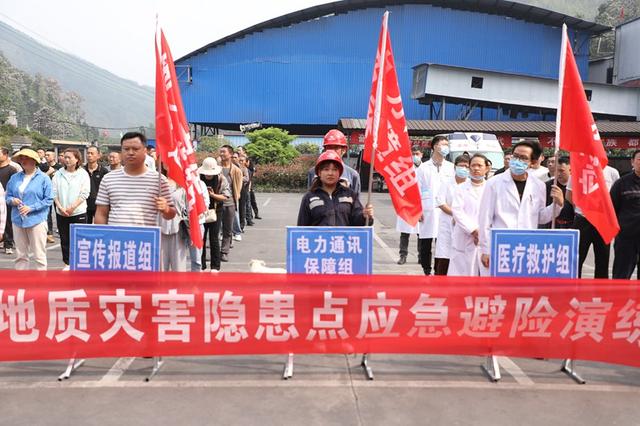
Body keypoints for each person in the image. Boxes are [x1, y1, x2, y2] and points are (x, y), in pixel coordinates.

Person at [478, 141, 564, 270]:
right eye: (515, 156)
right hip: (501, 244)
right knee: (500, 281)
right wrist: (485, 249)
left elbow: (540, 217)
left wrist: (557, 204)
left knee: (523, 281)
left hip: (527, 246)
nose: (517, 161)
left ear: (533, 162)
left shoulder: (538, 186)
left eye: (523, 158)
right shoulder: (494, 183)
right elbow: (485, 218)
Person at [94, 132, 175, 226]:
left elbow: (171, 214)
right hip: (116, 235)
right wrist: (100, 233)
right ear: (121, 152)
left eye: (135, 149)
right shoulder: (108, 179)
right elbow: (101, 214)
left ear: (145, 151)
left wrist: (166, 209)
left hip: (145, 235)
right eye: (126, 149)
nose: (130, 153)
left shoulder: (159, 180)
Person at [566, 162, 620, 279]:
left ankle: (601, 287)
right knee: (577, 258)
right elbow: (569, 194)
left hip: (603, 221)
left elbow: (616, 195)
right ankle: (573, 285)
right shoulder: (577, 170)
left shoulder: (612, 172)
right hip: (582, 220)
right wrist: (582, 208)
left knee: (603, 259)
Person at [4, 148, 54, 270]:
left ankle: (41, 279)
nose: (23, 161)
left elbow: (48, 199)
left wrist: (31, 208)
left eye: (26, 158)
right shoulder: (15, 178)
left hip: (37, 220)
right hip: (17, 219)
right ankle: (22, 278)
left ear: (34, 160)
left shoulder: (43, 178)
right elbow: (7, 196)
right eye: (21, 158)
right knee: (21, 255)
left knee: (39, 255)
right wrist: (12, 200)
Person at [297, 151, 373, 226]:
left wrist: (364, 216)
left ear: (339, 173)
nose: (330, 173)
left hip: (343, 235)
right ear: (319, 173)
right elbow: (301, 227)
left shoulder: (350, 195)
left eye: (335, 169)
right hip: (319, 235)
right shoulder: (309, 197)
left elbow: (358, 221)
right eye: (326, 169)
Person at [416, 135, 454, 275]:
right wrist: (418, 210)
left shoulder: (451, 167)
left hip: (445, 210)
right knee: (426, 241)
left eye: (447, 145)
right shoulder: (423, 168)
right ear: (434, 146)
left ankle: (440, 271)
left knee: (443, 242)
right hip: (428, 209)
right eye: (443, 144)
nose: (445, 147)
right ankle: (426, 270)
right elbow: (417, 189)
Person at [449, 154, 491, 276]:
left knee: (485, 275)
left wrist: (482, 232)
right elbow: (457, 211)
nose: (476, 168)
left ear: (486, 168)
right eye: (473, 165)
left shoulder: (492, 187)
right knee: (462, 276)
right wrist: (474, 230)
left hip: (486, 237)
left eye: (479, 165)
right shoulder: (460, 188)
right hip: (464, 236)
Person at [52, 148, 90, 270]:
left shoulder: (83, 174)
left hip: (78, 212)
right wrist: (60, 207)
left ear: (77, 159)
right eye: (65, 157)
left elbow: (85, 193)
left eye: (69, 157)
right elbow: (54, 192)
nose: (66, 160)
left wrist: (72, 207)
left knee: (79, 239)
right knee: (65, 239)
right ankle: (67, 263)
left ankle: (80, 263)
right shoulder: (58, 174)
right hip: (61, 212)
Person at [433, 154, 470, 275]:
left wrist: (460, 217)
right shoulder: (447, 182)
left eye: (466, 166)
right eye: (461, 166)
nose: (464, 169)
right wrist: (455, 214)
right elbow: (441, 202)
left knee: (462, 255)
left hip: (464, 224)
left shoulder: (470, 184)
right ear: (455, 167)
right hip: (447, 223)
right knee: (444, 255)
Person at [610, 150, 640, 279]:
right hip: (626, 237)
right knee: (621, 276)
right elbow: (612, 208)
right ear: (632, 162)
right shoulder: (621, 183)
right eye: (639, 159)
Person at [199, 157, 230, 271]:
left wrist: (212, 195)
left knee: (214, 238)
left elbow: (226, 196)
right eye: (206, 173)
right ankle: (201, 265)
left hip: (216, 211)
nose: (208, 175)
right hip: (201, 211)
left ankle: (215, 267)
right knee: (201, 238)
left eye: (210, 173)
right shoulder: (198, 178)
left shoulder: (221, 179)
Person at [307, 129, 361, 195]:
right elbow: (309, 198)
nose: (331, 151)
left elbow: (356, 200)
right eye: (329, 147)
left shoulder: (352, 175)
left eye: (335, 148)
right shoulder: (313, 172)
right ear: (325, 149)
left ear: (344, 150)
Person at [219, 145, 242, 261]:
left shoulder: (236, 170)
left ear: (231, 154)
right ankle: (215, 251)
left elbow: (238, 187)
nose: (221, 154)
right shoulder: (216, 168)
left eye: (224, 152)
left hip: (230, 203)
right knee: (215, 229)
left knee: (227, 229)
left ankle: (224, 251)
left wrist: (235, 199)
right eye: (220, 152)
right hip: (216, 202)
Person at [160, 177, 188, 272]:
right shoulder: (158, 181)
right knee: (160, 268)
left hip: (178, 229)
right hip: (160, 228)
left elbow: (189, 209)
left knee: (179, 268)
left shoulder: (184, 185)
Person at [540, 157, 574, 229]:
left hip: (570, 225)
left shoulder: (575, 187)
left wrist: (562, 202)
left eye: (561, 171)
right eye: (556, 170)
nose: (558, 174)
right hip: (550, 225)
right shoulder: (547, 185)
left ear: (571, 170)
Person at [0, 147, 21, 254]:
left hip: (7, 199)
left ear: (5, 155)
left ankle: (8, 244)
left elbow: (15, 185)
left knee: (8, 222)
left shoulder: (12, 169)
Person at [84, 145, 109, 224]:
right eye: (88, 153)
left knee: (99, 227)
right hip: (84, 204)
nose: (89, 155)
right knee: (85, 227)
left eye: (92, 153)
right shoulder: (81, 170)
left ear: (98, 155)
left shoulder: (104, 171)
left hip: (99, 205)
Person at [44, 149, 62, 243]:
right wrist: (48, 172)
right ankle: (49, 233)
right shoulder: (42, 167)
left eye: (48, 155)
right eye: (45, 155)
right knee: (47, 214)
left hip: (57, 193)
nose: (46, 157)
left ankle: (61, 230)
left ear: (54, 156)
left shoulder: (60, 167)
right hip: (45, 193)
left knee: (59, 212)